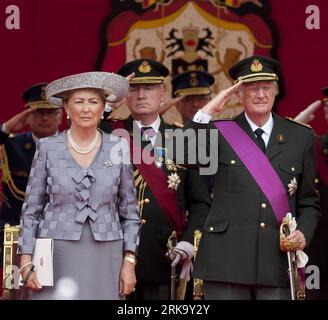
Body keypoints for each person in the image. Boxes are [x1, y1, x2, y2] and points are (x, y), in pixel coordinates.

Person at [181, 55, 320, 299]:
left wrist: (303, 234)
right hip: (226, 260)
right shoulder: (217, 131)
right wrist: (207, 110)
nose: (260, 95)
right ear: (238, 94)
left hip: (277, 261)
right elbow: (179, 153)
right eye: (252, 88)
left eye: (266, 87)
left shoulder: (300, 137)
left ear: (275, 91)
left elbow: (309, 202)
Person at [17, 72, 140, 300]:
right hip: (55, 251)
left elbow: (130, 213)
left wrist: (129, 261)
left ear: (103, 107)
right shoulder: (47, 148)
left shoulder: (118, 146)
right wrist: (25, 258)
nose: (86, 109)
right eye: (79, 102)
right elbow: (31, 209)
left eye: (93, 102)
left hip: (107, 251)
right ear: (66, 107)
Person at [100, 59, 210, 300]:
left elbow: (201, 201)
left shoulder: (183, 138)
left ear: (162, 94)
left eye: (149, 88)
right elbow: (77, 132)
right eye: (134, 89)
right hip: (114, 253)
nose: (141, 95)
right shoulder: (108, 133)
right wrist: (107, 105)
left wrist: (189, 243)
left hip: (165, 257)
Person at [0, 83, 63, 294]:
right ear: (27, 115)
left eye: (50, 112)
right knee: (16, 292)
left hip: (61, 235)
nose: (45, 118)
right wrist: (6, 129)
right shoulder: (11, 144)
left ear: (61, 115)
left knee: (60, 292)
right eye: (38, 112)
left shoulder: (73, 146)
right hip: (16, 235)